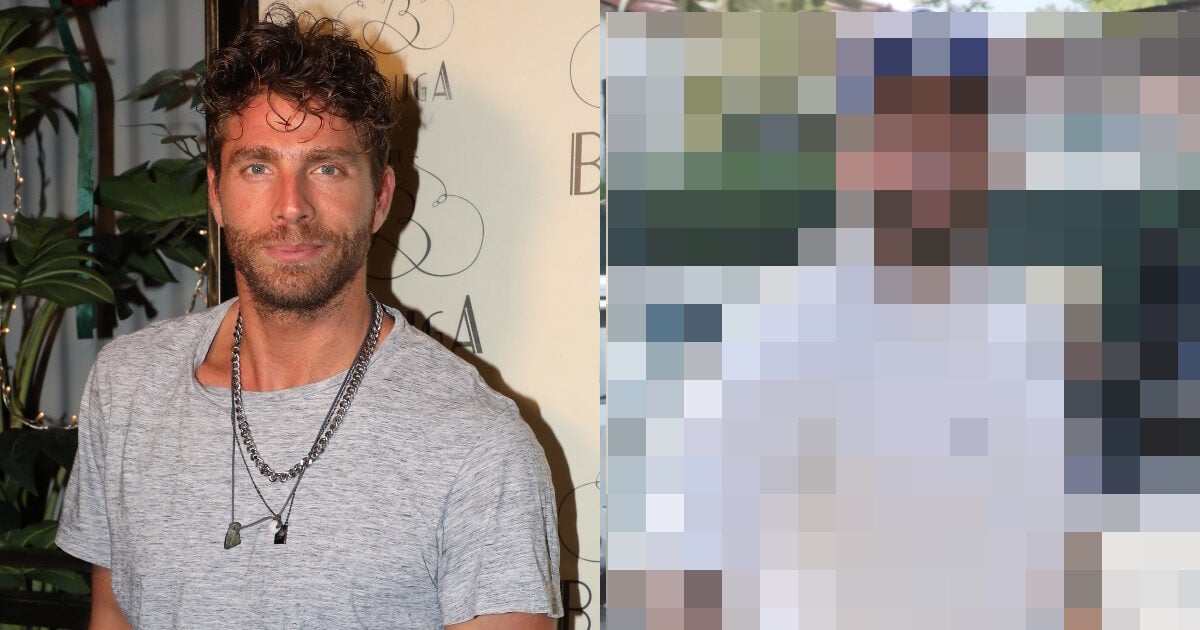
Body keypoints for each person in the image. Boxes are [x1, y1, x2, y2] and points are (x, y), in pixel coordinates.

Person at [54, 6, 562, 629]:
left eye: (326, 167)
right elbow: (114, 613)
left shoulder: (477, 444)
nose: (291, 206)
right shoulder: (128, 387)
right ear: (216, 195)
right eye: (257, 167)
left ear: (380, 199)